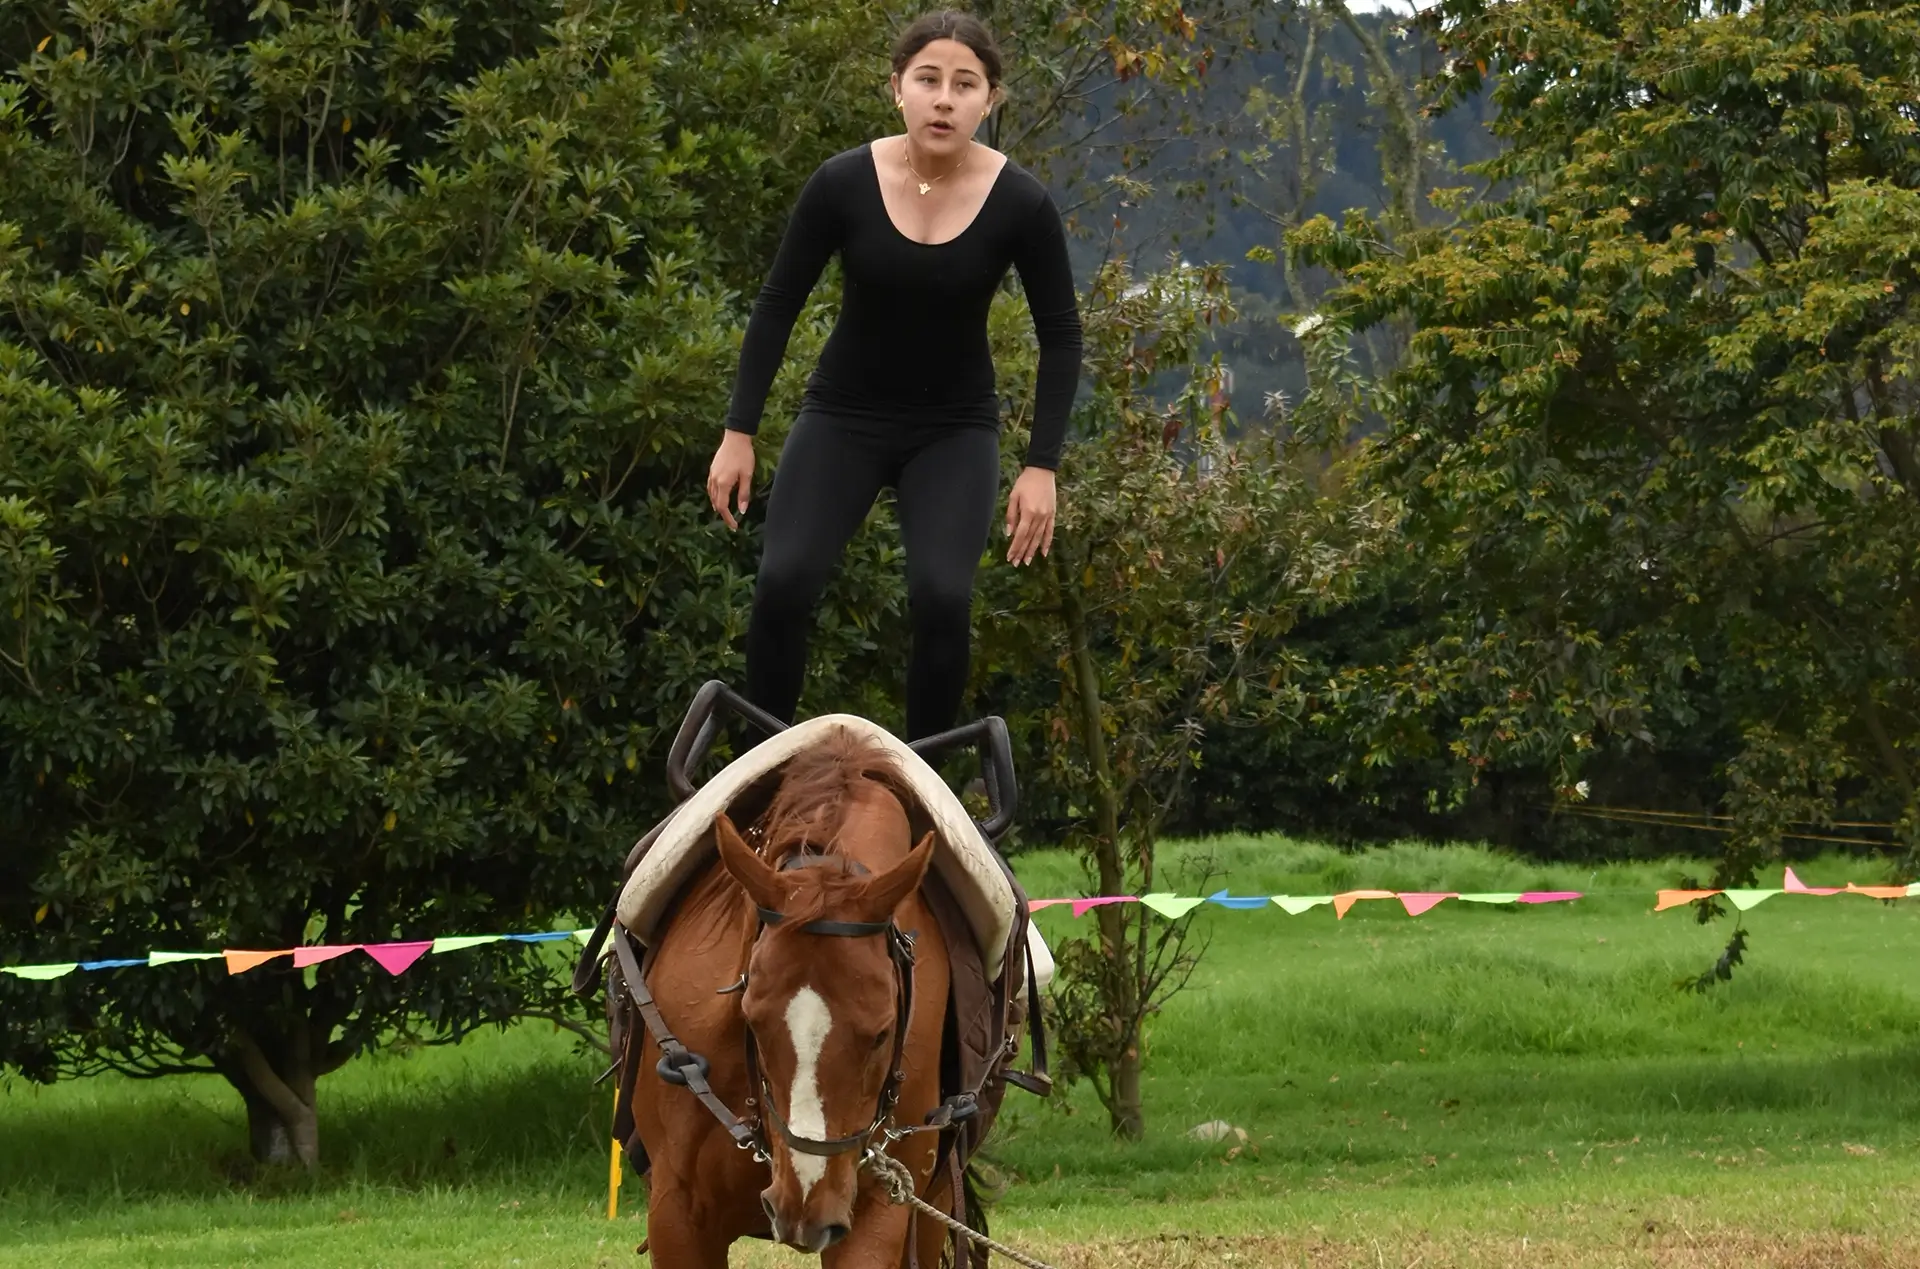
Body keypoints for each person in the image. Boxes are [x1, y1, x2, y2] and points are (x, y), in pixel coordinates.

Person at [705, 9, 1083, 743]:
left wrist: (1042, 467)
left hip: (954, 427)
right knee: (783, 582)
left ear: (990, 99)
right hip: (843, 414)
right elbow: (778, 304)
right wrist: (738, 430)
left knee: (942, 597)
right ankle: (762, 771)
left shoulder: (1022, 203)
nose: (945, 98)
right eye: (928, 80)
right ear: (897, 90)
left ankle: (924, 790)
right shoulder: (841, 183)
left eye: (965, 84)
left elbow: (1060, 336)